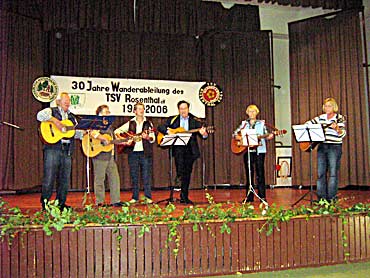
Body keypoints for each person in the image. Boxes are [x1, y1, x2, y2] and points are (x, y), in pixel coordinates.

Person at [37, 92, 83, 210]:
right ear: (58, 102)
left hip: (67, 150)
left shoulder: (72, 117)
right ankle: (45, 204)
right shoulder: (51, 111)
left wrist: (84, 132)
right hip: (53, 148)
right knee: (49, 177)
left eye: (69, 101)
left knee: (64, 179)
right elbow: (40, 116)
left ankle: (61, 204)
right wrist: (55, 121)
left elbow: (75, 134)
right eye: (65, 101)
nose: (68, 103)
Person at [157, 100, 208, 205]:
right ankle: (178, 182)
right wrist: (168, 131)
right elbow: (160, 127)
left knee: (187, 173)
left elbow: (204, 134)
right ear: (178, 110)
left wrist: (204, 133)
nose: (183, 110)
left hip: (190, 150)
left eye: (185, 108)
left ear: (188, 109)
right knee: (180, 171)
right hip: (178, 149)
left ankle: (184, 196)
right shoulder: (173, 120)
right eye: (181, 109)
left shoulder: (195, 121)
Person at [114, 102, 155, 204]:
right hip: (133, 153)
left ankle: (147, 197)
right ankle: (135, 197)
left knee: (146, 176)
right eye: (139, 109)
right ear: (134, 111)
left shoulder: (148, 123)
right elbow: (116, 131)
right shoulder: (130, 123)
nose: (141, 110)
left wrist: (148, 137)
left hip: (145, 153)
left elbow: (153, 138)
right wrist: (124, 140)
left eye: (142, 108)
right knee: (134, 175)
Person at [306, 98, 346, 202]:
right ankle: (321, 198)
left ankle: (332, 198)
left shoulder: (339, 118)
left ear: (334, 107)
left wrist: (336, 128)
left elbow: (342, 134)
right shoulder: (321, 118)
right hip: (322, 146)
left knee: (333, 173)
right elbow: (308, 124)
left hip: (335, 146)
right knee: (321, 173)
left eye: (330, 106)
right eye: (326, 106)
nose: (327, 108)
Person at [233, 104, 274, 203]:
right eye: (250, 111)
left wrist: (269, 136)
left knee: (260, 173)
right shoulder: (244, 124)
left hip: (260, 151)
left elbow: (266, 134)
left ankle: (262, 196)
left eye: (253, 111)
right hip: (247, 150)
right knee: (249, 174)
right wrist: (241, 138)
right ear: (247, 113)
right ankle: (249, 196)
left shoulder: (262, 124)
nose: (251, 113)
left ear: (257, 113)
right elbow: (234, 134)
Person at [89, 105, 123, 207]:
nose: (108, 113)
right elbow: (92, 132)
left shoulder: (109, 125)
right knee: (99, 179)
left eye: (108, 112)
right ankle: (100, 202)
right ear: (100, 114)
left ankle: (115, 200)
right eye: (106, 112)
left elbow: (112, 140)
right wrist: (102, 138)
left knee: (114, 178)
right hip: (99, 155)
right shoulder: (97, 123)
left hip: (110, 155)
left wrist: (124, 141)